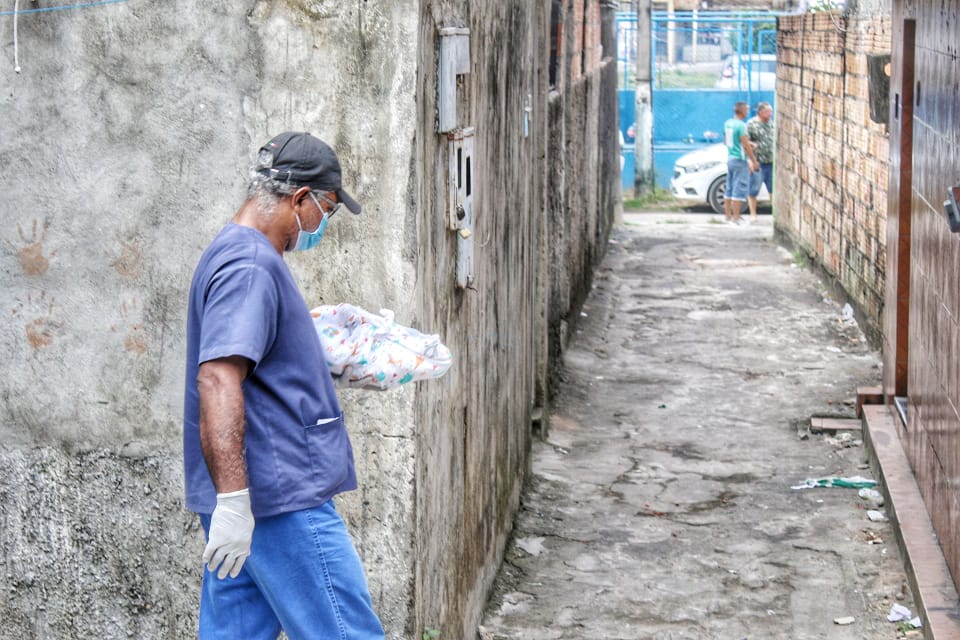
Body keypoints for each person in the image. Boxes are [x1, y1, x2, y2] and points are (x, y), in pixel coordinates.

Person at [182, 131, 385, 640]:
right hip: (277, 500)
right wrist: (235, 499)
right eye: (328, 210)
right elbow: (219, 375)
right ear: (300, 199)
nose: (323, 224)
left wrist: (318, 359)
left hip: (253, 501)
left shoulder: (233, 253)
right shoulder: (250, 265)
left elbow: (251, 364)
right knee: (345, 631)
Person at [722, 101, 759, 224]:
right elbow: (745, 144)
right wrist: (753, 160)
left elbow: (726, 141)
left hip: (730, 158)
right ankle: (736, 217)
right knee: (739, 188)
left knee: (729, 187)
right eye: (746, 110)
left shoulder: (728, 123)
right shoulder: (741, 125)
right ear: (742, 111)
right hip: (740, 160)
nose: (747, 112)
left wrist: (741, 145)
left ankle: (727, 215)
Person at [746, 102, 775, 223]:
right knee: (753, 190)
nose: (770, 114)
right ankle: (753, 214)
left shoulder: (771, 124)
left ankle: (775, 214)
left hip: (771, 161)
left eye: (771, 111)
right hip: (758, 163)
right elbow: (746, 143)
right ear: (760, 112)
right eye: (768, 112)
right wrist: (750, 160)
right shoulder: (752, 124)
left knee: (773, 190)